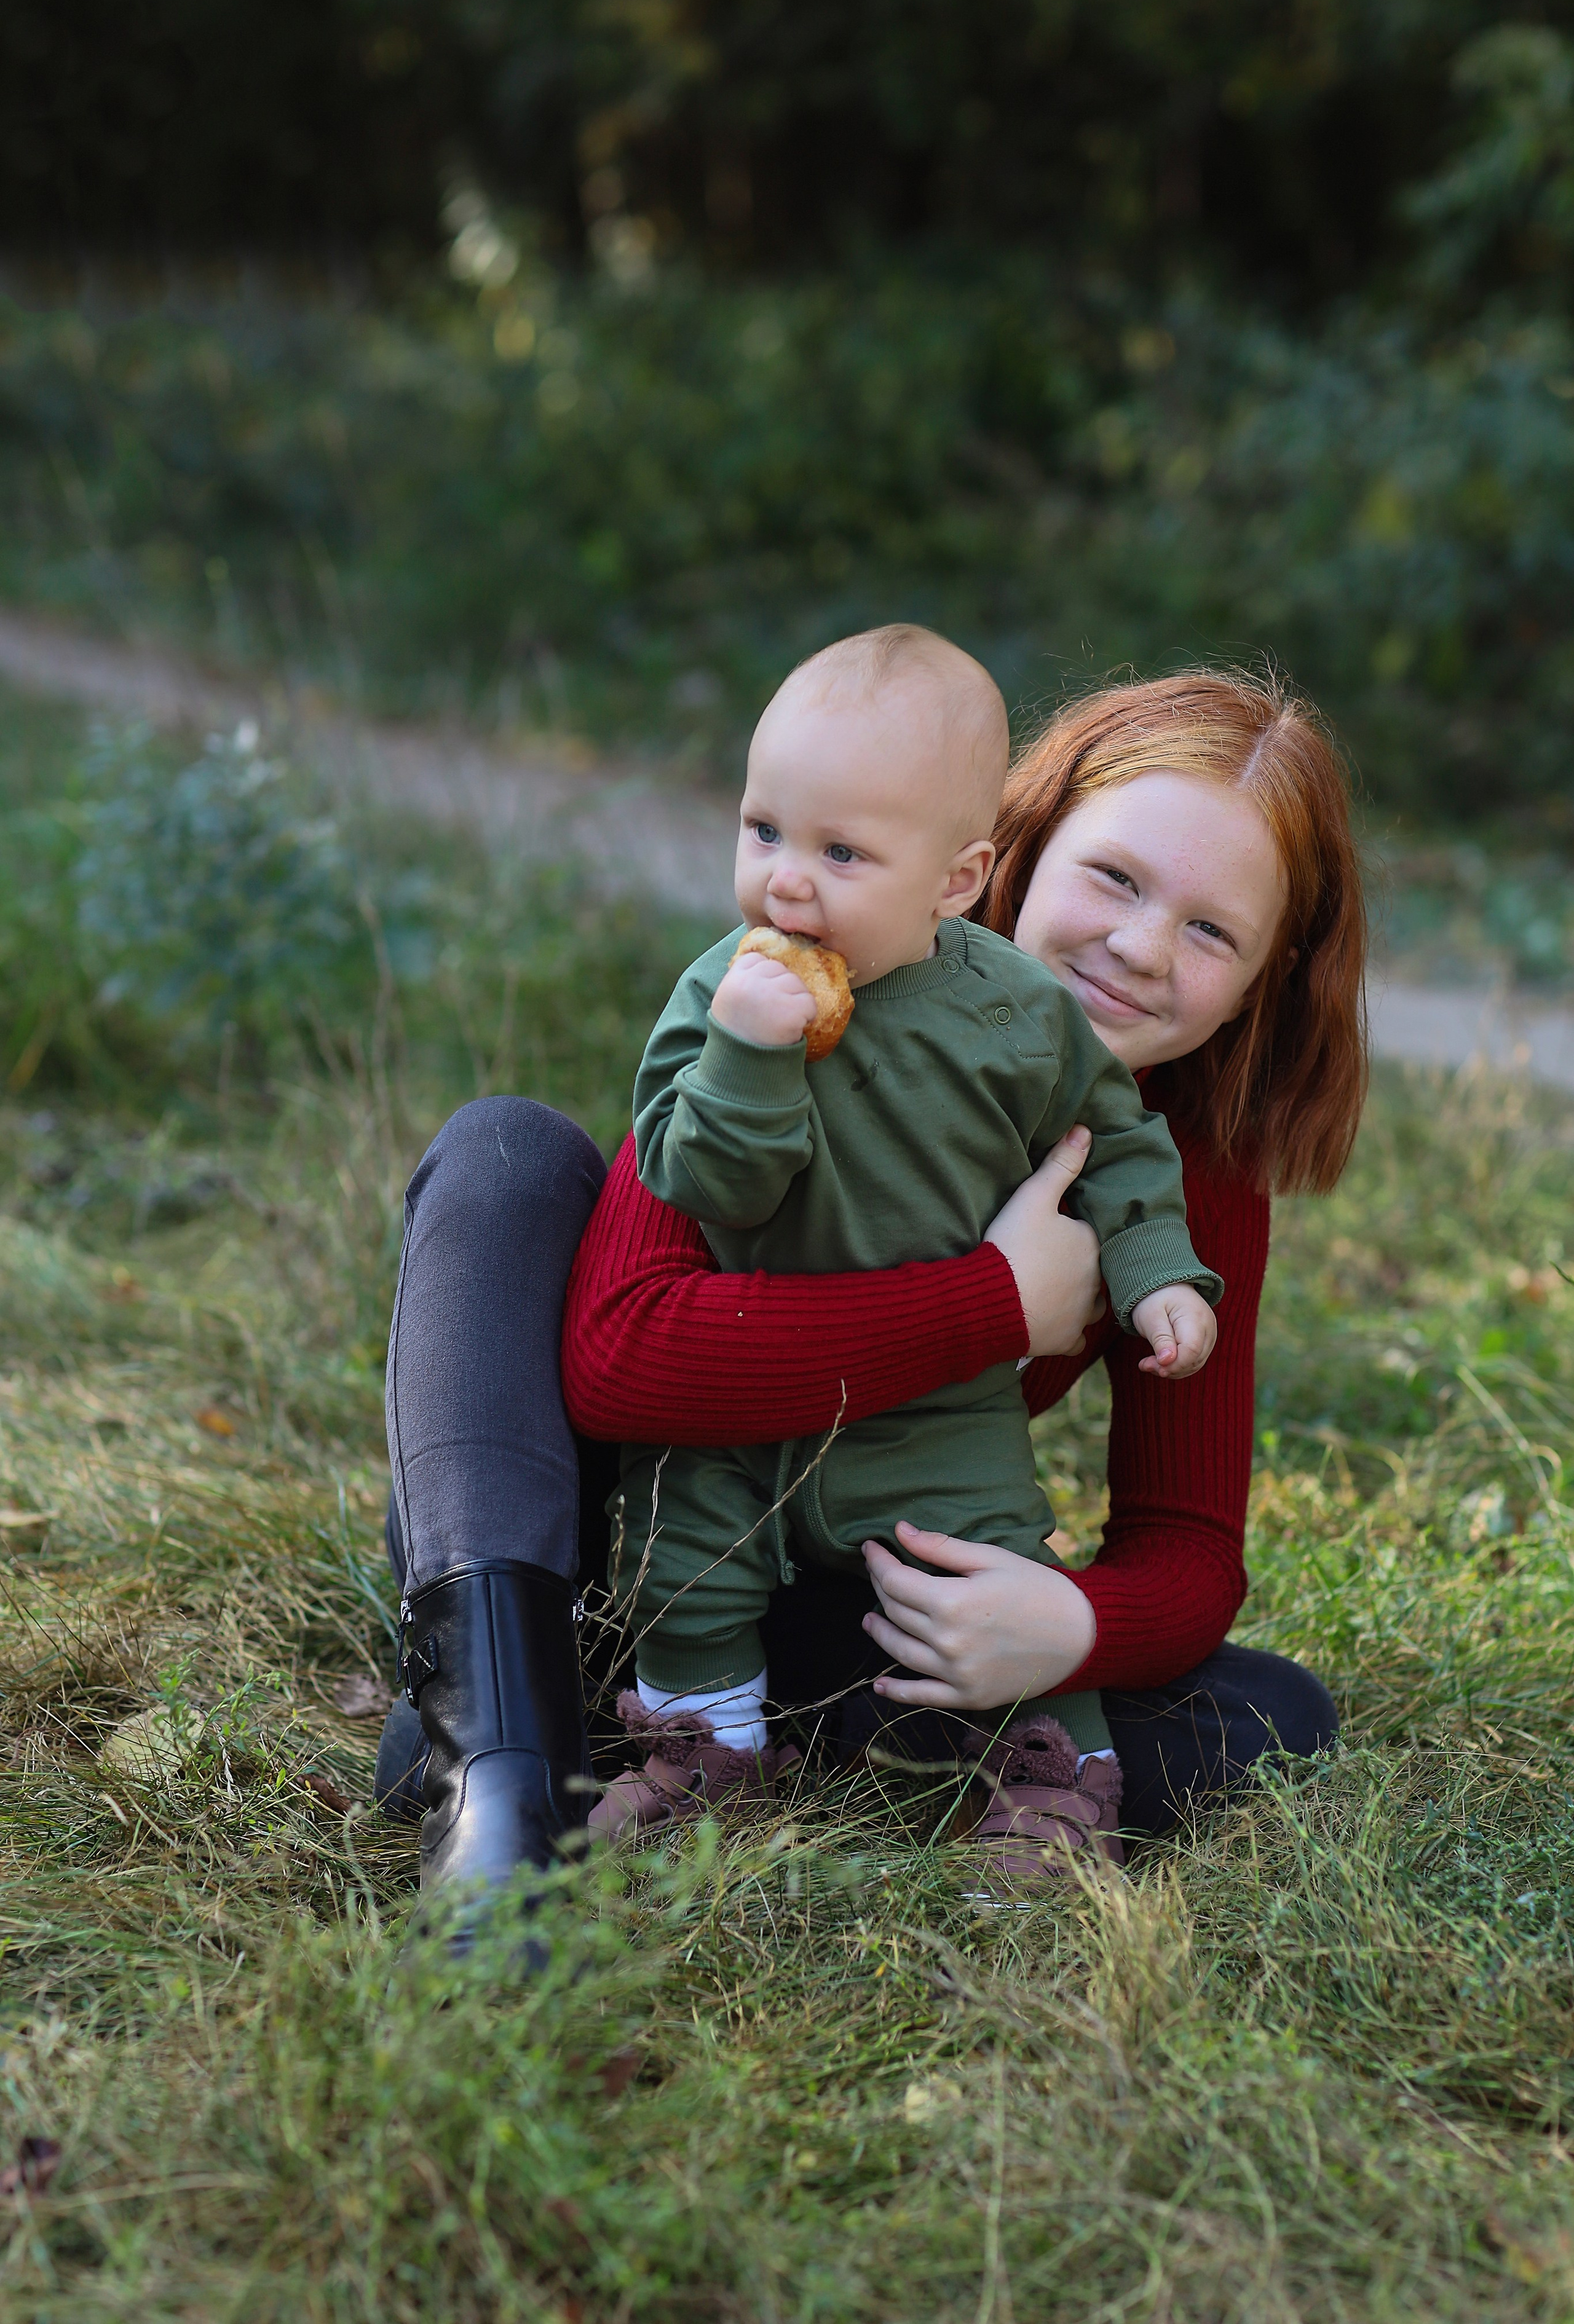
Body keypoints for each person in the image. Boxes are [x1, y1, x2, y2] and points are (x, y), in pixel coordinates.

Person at [379, 666, 1366, 1926]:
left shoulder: (1182, 1176)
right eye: (1112, 878)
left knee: (1268, 1716)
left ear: (1267, 972)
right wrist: (996, 1305)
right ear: (1003, 852)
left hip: (854, 1590)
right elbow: (619, 1362)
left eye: (1209, 930)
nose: (1136, 948)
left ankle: (684, 1739)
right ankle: (501, 1747)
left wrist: (1062, 1627)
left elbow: (1186, 1546)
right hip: (619, 1543)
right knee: (506, 1150)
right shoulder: (786, 995)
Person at [596, 626, 1220, 1862]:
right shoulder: (717, 997)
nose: (786, 882)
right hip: (744, 1389)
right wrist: (747, 1052)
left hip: (935, 1417)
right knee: (680, 1554)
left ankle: (1054, 1780)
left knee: (986, 1567)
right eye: (763, 831)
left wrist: (1157, 1277)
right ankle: (701, 1753)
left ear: (954, 878)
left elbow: (1120, 1146)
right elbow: (695, 1172)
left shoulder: (1017, 1014)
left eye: (841, 853)